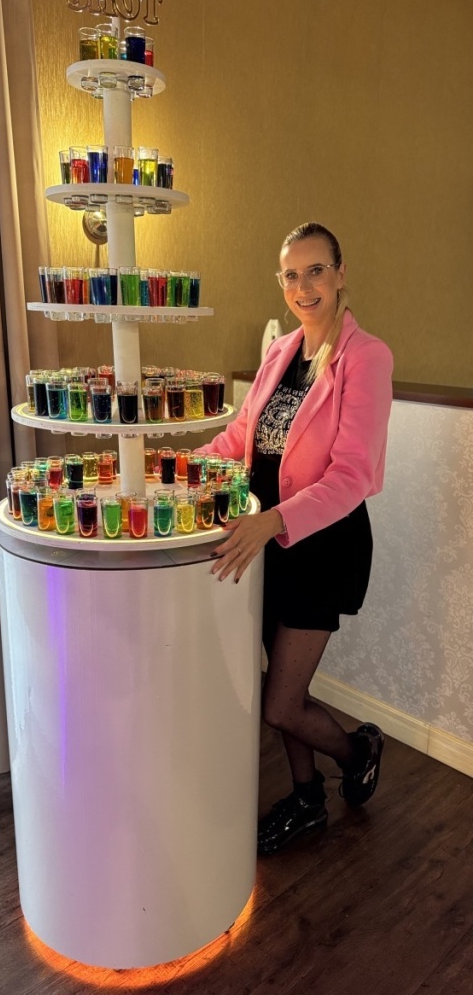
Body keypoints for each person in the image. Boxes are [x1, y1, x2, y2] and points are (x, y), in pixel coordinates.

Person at [196, 222, 394, 854]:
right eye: (291, 275)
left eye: (315, 271)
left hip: (321, 545)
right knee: (283, 685)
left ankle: (357, 750)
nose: (304, 286)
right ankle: (307, 799)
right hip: (268, 543)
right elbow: (241, 438)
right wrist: (178, 469)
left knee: (280, 704)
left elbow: (352, 475)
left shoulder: (366, 357)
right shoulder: (280, 351)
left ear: (340, 273)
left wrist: (273, 520)